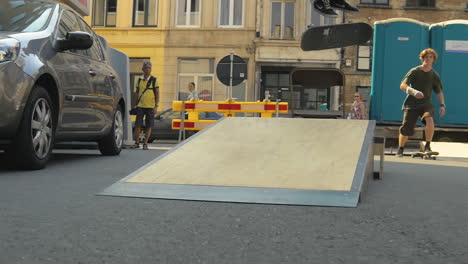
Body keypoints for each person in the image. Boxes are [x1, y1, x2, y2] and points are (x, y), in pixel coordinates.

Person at [397, 48, 446, 157]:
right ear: (422, 58)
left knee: (429, 120)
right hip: (411, 104)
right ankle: (400, 149)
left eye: (430, 57)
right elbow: (402, 85)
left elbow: (439, 92)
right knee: (406, 129)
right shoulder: (414, 71)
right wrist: (414, 92)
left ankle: (428, 146)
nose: (428, 59)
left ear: (433, 59)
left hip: (426, 104)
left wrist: (442, 105)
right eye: (426, 57)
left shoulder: (434, 75)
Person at [133, 61, 159, 150]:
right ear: (142, 69)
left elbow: (157, 93)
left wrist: (156, 106)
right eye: (146, 68)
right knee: (138, 125)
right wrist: (135, 104)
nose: (148, 69)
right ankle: (136, 142)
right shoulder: (139, 80)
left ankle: (145, 143)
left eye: (149, 68)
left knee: (149, 125)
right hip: (140, 106)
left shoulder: (154, 80)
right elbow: (136, 93)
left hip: (150, 106)